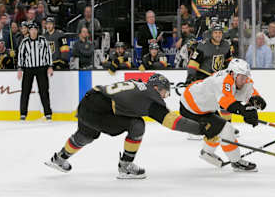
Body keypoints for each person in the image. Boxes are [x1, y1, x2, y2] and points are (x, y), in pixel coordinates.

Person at [45, 74, 211, 179]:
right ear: (156, 88)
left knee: (86, 135)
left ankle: (59, 158)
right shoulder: (150, 96)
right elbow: (174, 122)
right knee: (137, 125)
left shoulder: (139, 87)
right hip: (100, 108)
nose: (164, 97)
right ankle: (125, 166)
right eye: (164, 92)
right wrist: (201, 129)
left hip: (90, 100)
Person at [180, 59, 266, 172]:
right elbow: (227, 103)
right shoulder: (222, 81)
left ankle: (206, 152)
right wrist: (245, 111)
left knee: (218, 128)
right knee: (226, 129)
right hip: (191, 106)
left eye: (246, 76)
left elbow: (249, 92)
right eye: (241, 77)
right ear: (232, 74)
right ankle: (236, 162)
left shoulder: (240, 78)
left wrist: (254, 103)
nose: (244, 80)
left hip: (205, 106)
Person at [17, 22, 53, 121]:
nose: (33, 31)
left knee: (44, 91)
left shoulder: (43, 40)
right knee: (25, 91)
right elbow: (21, 55)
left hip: (41, 68)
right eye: (31, 30)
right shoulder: (24, 42)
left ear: (37, 30)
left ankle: (48, 113)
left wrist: (50, 66)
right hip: (28, 69)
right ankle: (23, 113)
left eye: (35, 29)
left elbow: (48, 53)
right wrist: (20, 68)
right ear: (29, 31)